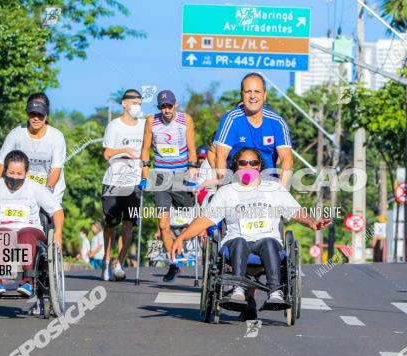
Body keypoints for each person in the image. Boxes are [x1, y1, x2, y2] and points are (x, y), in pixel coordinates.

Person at [171, 147, 329, 321]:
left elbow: (295, 212)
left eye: (253, 163)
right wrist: (182, 237)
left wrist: (311, 223)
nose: (248, 166)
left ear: (259, 166)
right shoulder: (227, 192)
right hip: (236, 241)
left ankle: (275, 291)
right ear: (236, 166)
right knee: (238, 241)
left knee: (269, 240)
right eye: (243, 163)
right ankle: (238, 290)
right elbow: (205, 220)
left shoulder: (274, 189)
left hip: (267, 241)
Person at [0, 150, 63, 298]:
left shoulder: (34, 187)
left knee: (26, 235)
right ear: (5, 170)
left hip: (30, 228)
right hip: (2, 229)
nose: (15, 177)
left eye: (19, 174)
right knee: (2, 235)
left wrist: (58, 233)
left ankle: (28, 280)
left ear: (26, 172)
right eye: (11, 173)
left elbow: (56, 210)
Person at [140, 90, 199, 282]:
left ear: (175, 105)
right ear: (159, 108)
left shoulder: (185, 120)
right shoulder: (151, 121)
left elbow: (192, 149)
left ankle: (182, 244)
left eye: (169, 106)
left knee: (191, 216)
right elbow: (145, 150)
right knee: (163, 224)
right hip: (160, 177)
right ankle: (174, 264)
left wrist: (192, 171)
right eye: (162, 107)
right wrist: (144, 174)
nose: (166, 110)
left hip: (180, 175)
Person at [213, 73, 293, 186]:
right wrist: (225, 188)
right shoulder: (231, 119)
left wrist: (281, 190)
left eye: (257, 91)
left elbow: (287, 159)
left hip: (268, 186)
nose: (252, 96)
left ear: (265, 95)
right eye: (248, 91)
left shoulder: (277, 122)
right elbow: (220, 156)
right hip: (236, 186)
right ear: (242, 95)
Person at [101, 89, 146, 281]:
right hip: (113, 182)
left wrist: (146, 175)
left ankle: (118, 263)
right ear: (124, 104)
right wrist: (124, 150)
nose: (137, 106)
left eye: (140, 102)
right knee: (111, 224)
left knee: (129, 225)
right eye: (134, 102)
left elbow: (147, 154)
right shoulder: (114, 126)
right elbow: (106, 154)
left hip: (134, 183)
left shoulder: (145, 126)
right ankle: (106, 259)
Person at [0, 93, 66, 203]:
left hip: (49, 194)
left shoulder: (56, 137)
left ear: (46, 115)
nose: (36, 118)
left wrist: (46, 192)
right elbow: (0, 164)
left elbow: (56, 169)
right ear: (27, 113)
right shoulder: (15, 134)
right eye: (32, 114)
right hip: (20, 193)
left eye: (40, 114)